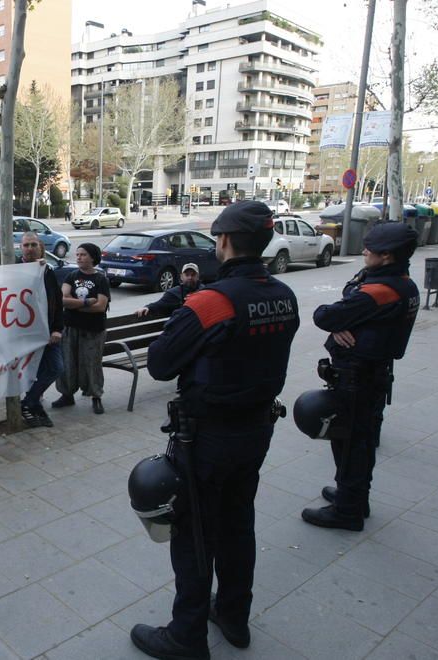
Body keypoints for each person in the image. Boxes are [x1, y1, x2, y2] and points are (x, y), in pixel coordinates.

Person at [130, 200, 299, 660]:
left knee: (195, 533)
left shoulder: (211, 302)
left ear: (222, 241)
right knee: (238, 523)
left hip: (208, 438)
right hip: (257, 430)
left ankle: (186, 636)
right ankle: (233, 614)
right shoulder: (284, 294)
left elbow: (162, 364)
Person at [301, 223, 420, 532]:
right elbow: (347, 306)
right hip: (371, 376)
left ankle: (347, 511)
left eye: (372, 249)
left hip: (357, 378)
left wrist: (340, 320)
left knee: (350, 443)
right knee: (359, 442)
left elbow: (324, 315)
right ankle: (354, 497)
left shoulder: (380, 292)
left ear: (387, 256)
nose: (364, 251)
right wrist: (345, 320)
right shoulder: (402, 283)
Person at [52, 244, 110, 415]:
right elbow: (63, 300)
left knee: (92, 363)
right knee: (67, 362)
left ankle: (96, 396)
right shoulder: (71, 276)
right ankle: (67, 394)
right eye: (77, 254)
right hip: (70, 327)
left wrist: (74, 306)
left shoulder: (101, 279)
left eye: (83, 255)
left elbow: (100, 306)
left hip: (93, 330)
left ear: (92, 257)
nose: (78, 257)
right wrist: (84, 303)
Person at [18, 232, 64, 428]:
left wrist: (57, 329)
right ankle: (33, 404)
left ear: (41, 247)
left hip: (47, 333)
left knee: (56, 368)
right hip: (23, 334)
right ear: (21, 248)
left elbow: (57, 302)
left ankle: (29, 402)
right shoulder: (13, 270)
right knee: (26, 373)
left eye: (33, 245)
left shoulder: (48, 271)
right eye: (26, 245)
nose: (29, 248)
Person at [135, 263, 204, 318]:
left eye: (193, 275)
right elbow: (159, 304)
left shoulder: (204, 291)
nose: (190, 277)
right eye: (187, 275)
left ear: (197, 276)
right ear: (181, 277)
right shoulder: (174, 293)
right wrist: (147, 307)